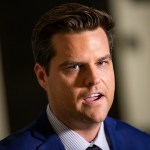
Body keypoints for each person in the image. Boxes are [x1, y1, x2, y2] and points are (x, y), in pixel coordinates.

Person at [0, 3, 150, 150]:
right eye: (75, 67)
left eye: (101, 62)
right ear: (42, 76)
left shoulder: (143, 143)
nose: (93, 79)